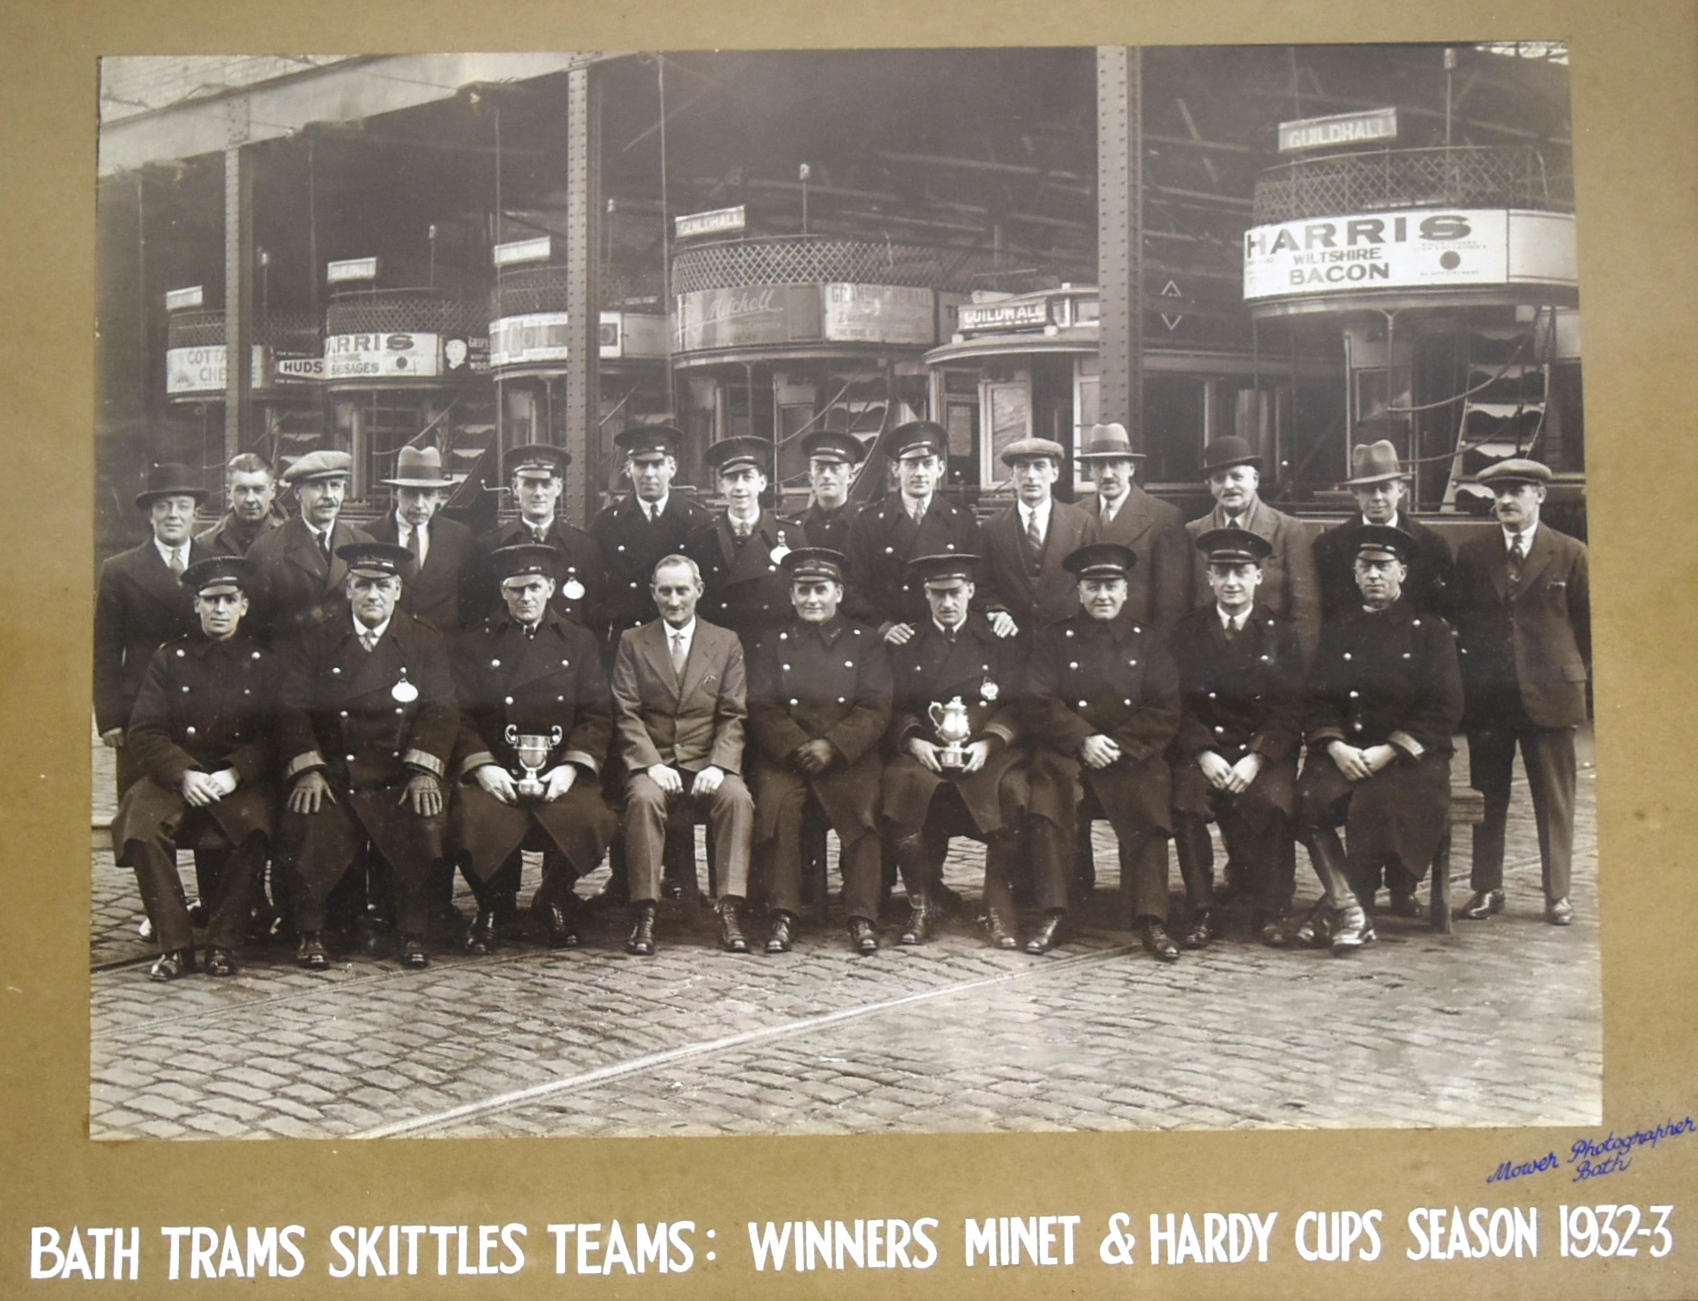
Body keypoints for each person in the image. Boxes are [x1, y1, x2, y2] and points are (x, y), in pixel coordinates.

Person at [274, 542, 458, 971]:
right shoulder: (319, 638)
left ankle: (413, 931)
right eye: (362, 586)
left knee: (422, 819)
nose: (372, 595)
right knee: (311, 819)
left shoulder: (423, 640)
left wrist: (422, 769)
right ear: (348, 591)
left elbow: (442, 707)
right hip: (337, 773)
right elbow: (290, 706)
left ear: (397, 591)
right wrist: (309, 768)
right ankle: (312, 931)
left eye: (382, 586)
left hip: (398, 774)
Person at [1293, 525, 1464, 954]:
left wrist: (1389, 750)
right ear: (1353, 574)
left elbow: (1444, 707)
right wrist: (1335, 746)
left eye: (1384, 567)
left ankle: (1341, 908)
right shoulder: (1340, 628)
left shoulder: (1429, 631)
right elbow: (1317, 700)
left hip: (1408, 758)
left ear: (1402, 573)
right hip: (1348, 750)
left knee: (1373, 802)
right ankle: (1348, 906)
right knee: (1308, 797)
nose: (1374, 576)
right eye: (1365, 567)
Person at [109, 556, 277, 980]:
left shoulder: (264, 662)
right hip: (176, 776)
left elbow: (275, 736)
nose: (220, 609)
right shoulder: (169, 659)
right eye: (211, 600)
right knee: (140, 826)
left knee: (254, 827)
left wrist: (234, 773)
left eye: (229, 600)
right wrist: (183, 774)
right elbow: (145, 731)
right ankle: (175, 946)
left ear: (244, 606)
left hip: (233, 779)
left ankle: (223, 944)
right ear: (196, 606)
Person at [448, 543, 617, 952]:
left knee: (590, 815)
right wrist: (483, 766)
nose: (526, 598)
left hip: (558, 767)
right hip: (498, 768)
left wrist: (571, 768)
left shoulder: (579, 642)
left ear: (551, 588)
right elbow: (460, 716)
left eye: (535, 587)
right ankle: (492, 903)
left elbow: (597, 714)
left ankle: (555, 897)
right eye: (516, 589)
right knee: (471, 813)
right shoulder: (474, 643)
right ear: (503, 592)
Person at [1026, 544, 1182, 959]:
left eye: (1111, 586)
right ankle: (1056, 911)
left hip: (1130, 752)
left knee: (1149, 803)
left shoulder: (1147, 642)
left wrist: (1122, 745)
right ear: (1079, 591)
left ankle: (1151, 917)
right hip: (1071, 752)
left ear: (1126, 590)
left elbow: (1165, 707)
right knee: (1047, 800)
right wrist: (1083, 739)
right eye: (1093, 587)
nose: (1102, 596)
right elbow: (1038, 701)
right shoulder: (1054, 640)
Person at [1452, 459, 1590, 926]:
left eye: (1517, 490)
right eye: (1498, 492)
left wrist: (1570, 678)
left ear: (1540, 496)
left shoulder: (1570, 553)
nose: (1505, 500)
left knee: (1553, 797)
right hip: (1491, 698)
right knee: (1488, 796)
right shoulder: (1473, 554)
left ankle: (1557, 895)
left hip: (1550, 696)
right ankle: (1487, 888)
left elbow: (1588, 628)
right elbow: (1464, 622)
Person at [746, 549, 892, 954]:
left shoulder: (865, 642)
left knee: (864, 808)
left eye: (820, 590)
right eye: (803, 591)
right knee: (778, 806)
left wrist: (834, 745)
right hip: (788, 757)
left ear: (838, 593)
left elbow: (876, 705)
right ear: (791, 596)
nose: (812, 599)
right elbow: (761, 705)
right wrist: (795, 746)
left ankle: (862, 914)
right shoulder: (773, 643)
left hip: (847, 755)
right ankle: (783, 913)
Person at [611, 554, 757, 956]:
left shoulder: (725, 641)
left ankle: (728, 909)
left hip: (706, 760)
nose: (674, 600)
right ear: (653, 593)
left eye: (682, 590)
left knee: (737, 798)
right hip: (654, 760)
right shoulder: (633, 641)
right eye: (665, 591)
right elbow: (626, 711)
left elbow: (733, 713)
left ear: (699, 591)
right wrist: (652, 764)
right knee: (641, 800)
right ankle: (646, 911)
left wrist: (719, 765)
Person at [880, 554, 1028, 948]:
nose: (947, 603)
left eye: (955, 593)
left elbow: (1019, 703)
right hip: (928, 751)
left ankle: (995, 905)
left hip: (986, 753)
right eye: (938, 594)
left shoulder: (997, 637)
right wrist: (913, 740)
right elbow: (893, 704)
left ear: (971, 592)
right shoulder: (909, 642)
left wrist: (990, 740)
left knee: (1014, 790)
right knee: (900, 783)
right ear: (926, 596)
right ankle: (923, 901)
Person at [1167, 528, 1304, 947]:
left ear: (1259, 577)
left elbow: (1289, 708)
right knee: (1187, 803)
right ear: (1209, 578)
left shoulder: (1281, 634)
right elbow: (1179, 705)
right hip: (1206, 748)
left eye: (1241, 572)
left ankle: (1270, 909)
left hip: (1259, 750)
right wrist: (1204, 752)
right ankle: (1201, 907)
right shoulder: (1187, 632)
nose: (1231, 583)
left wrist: (1258, 757)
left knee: (1275, 803)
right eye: (1222, 572)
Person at [94, 462, 213, 795]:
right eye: (163, 506)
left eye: (182, 506)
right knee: (141, 818)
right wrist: (110, 718)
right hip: (142, 713)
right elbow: (105, 650)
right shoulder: (118, 570)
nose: (173, 514)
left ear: (195, 513)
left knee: (209, 820)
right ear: (150, 514)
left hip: (203, 710)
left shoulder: (215, 563)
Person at [843, 422, 1012, 642]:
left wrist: (996, 609)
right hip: (893, 639)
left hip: (945, 639)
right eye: (911, 464)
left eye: (927, 464)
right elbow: (850, 587)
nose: (920, 473)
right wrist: (881, 626)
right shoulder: (869, 521)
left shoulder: (961, 520)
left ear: (940, 468)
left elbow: (980, 583)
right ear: (896, 469)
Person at [1184, 435, 1322, 666]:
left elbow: (1305, 609)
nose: (1228, 486)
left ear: (1255, 479)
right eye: (1219, 479)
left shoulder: (1287, 530)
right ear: (1210, 486)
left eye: (1237, 476)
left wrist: (1296, 671)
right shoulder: (1194, 532)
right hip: (1211, 661)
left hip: (1271, 662)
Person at [592, 426, 713, 658]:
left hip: (679, 643)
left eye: (657, 464)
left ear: (672, 468)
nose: (648, 473)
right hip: (627, 645)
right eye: (640, 465)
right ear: (628, 469)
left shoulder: (697, 521)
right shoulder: (605, 525)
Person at [683, 436, 807, 651]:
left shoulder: (791, 536)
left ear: (762, 483)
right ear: (722, 485)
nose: (739, 487)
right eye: (731, 478)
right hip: (718, 654)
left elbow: (801, 603)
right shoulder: (700, 539)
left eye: (747, 477)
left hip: (772, 653)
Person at [1313, 439, 1455, 624]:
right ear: (1355, 493)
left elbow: (1443, 610)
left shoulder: (1431, 544)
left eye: (1385, 488)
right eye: (1369, 490)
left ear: (1401, 489)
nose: (1377, 498)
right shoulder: (1328, 546)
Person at [472, 444, 607, 637]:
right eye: (529, 483)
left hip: (568, 660)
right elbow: (479, 620)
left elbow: (595, 622)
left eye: (546, 484)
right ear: (515, 487)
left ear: (559, 487)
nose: (538, 493)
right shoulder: (489, 548)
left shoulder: (584, 548)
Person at [244, 449, 373, 644]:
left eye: (336, 486)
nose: (329, 495)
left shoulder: (364, 545)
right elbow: (255, 630)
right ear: (297, 492)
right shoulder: (265, 550)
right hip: (290, 668)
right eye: (317, 486)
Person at [1078, 422, 1191, 630]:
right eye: (1100, 465)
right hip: (1086, 642)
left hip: (1138, 645)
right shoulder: (1075, 515)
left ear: (1131, 468)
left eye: (1116, 464)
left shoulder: (1164, 518)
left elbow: (1171, 604)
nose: (1108, 474)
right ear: (1090, 472)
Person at [979, 437, 1099, 632]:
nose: (1031, 476)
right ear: (1012, 475)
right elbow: (982, 584)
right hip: (1013, 640)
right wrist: (998, 610)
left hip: (1066, 641)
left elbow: (1094, 580)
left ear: (1054, 473)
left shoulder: (1081, 523)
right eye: (1023, 467)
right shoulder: (990, 528)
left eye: (1039, 466)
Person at [367, 444, 477, 634]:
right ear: (395, 493)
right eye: (410, 493)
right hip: (386, 651)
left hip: (443, 654)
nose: (419, 504)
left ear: (438, 496)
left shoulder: (459, 538)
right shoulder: (369, 536)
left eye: (428, 494)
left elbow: (471, 606)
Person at [195, 452, 284, 558]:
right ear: (229, 492)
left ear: (273, 491)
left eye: (258, 490)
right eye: (242, 490)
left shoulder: (290, 540)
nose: (250, 499)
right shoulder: (206, 543)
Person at [795, 430, 865, 552]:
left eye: (835, 469)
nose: (826, 475)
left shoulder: (867, 524)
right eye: (820, 469)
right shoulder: (796, 526)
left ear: (851, 476)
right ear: (811, 478)